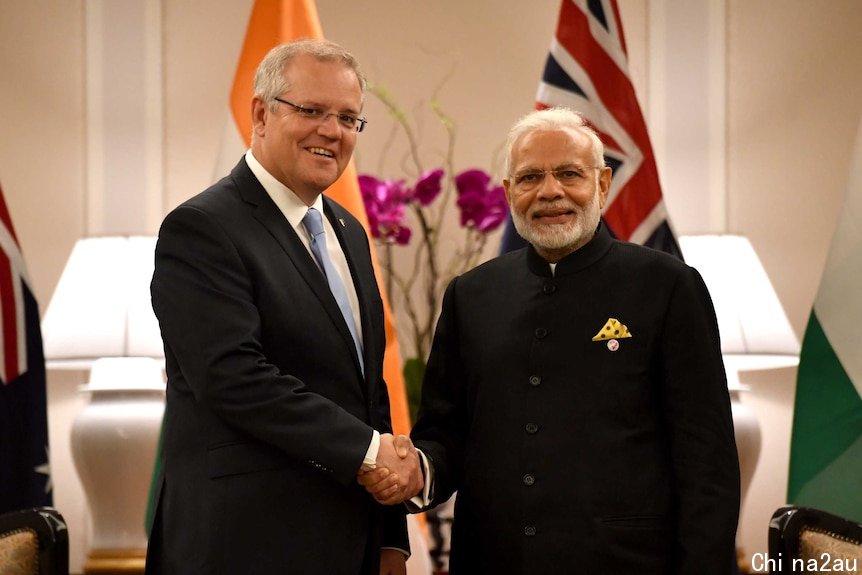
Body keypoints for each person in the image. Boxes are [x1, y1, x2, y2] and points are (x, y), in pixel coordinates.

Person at [360, 107, 740, 574]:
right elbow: (446, 433)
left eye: (569, 174)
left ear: (602, 184)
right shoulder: (471, 294)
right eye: (530, 178)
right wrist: (417, 470)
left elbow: (708, 464)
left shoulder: (667, 286)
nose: (550, 191)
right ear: (508, 193)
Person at [145, 39, 423, 575]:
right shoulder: (202, 228)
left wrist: (391, 536)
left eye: (348, 118)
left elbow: (369, 393)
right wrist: (369, 452)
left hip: (349, 542)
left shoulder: (349, 232)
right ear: (261, 113)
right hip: (242, 545)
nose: (331, 131)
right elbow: (233, 376)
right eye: (312, 110)